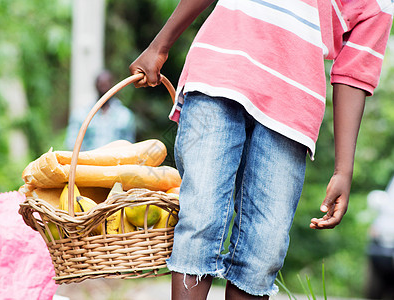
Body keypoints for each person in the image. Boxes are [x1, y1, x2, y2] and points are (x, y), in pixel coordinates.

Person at [129, 0, 393, 299]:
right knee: (201, 218)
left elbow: (353, 74)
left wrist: (344, 169)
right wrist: (160, 45)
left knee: (265, 248)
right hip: (219, 69)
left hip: (294, 105)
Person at [65, 70, 136, 151]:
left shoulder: (125, 115)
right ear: (96, 86)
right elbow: (72, 143)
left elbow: (129, 145)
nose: (104, 87)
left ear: (113, 85)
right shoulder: (81, 115)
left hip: (116, 161)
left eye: (106, 84)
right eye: (101, 84)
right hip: (87, 162)